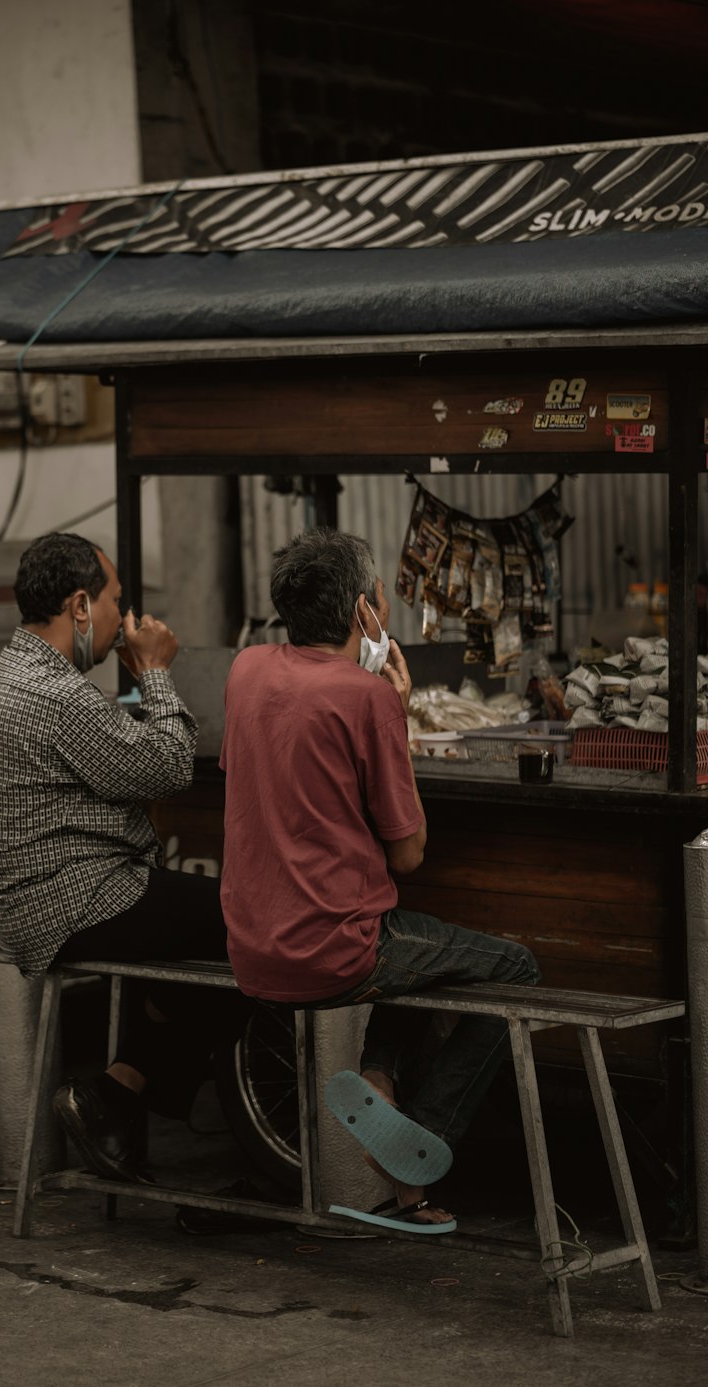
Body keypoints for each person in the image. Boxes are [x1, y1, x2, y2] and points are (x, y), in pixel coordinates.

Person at [219, 527, 539, 1231]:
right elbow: (409, 854)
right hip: (336, 948)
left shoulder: (245, 669)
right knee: (516, 967)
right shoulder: (368, 699)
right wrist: (389, 702)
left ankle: (380, 1085)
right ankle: (419, 1132)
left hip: (251, 946)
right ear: (367, 612)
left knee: (424, 948)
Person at [0, 531, 248, 1185]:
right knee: (255, 920)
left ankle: (118, 1094)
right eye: (118, 600)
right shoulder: (55, 693)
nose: (125, 618)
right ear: (82, 605)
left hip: (37, 900)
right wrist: (154, 674)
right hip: (77, 899)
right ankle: (125, 1093)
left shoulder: (9, 676)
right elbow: (170, 764)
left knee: (196, 928)